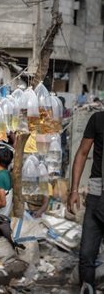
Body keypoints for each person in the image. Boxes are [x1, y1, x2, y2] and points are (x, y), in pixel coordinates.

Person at [68, 110, 104, 292]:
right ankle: (87, 288)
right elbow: (82, 153)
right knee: (86, 253)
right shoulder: (98, 119)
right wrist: (74, 190)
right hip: (97, 195)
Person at [58, 96, 71, 177]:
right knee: (60, 160)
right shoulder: (67, 112)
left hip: (54, 141)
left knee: (54, 160)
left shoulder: (54, 112)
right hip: (63, 141)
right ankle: (59, 176)